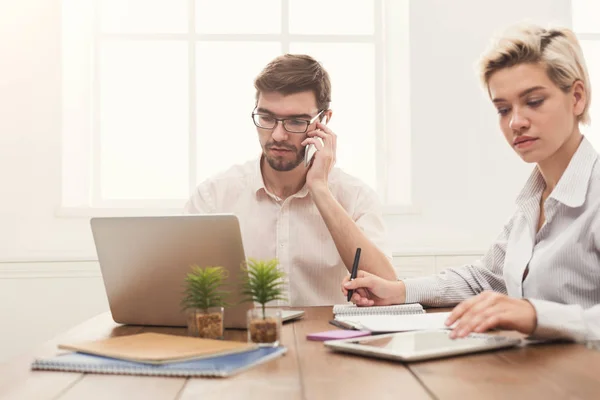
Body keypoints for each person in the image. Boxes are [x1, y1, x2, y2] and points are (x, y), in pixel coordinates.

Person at [342, 23, 600, 341]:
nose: (516, 122)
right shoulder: (533, 202)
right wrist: (398, 292)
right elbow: (483, 279)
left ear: (576, 98)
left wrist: (534, 314)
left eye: (533, 101)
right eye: (503, 109)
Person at [185, 54, 396, 306]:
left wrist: (320, 189)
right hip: (243, 341)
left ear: (324, 121)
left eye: (296, 121)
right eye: (267, 118)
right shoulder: (213, 197)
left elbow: (389, 290)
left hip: (329, 340)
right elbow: (177, 287)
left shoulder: (356, 197)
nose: (278, 135)